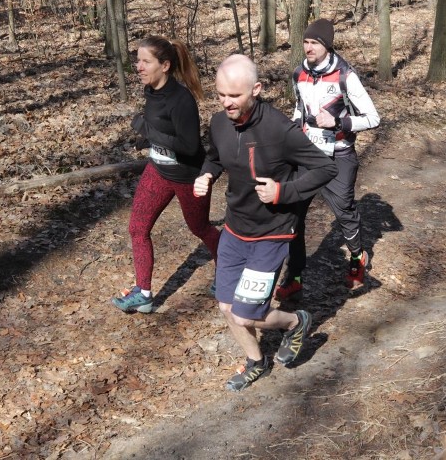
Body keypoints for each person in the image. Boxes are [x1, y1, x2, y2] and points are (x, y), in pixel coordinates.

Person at [194, 54, 338, 391]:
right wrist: (206, 175)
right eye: (221, 95)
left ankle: (294, 321)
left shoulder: (279, 130)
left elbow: (324, 169)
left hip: (271, 233)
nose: (227, 103)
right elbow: (214, 157)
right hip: (234, 229)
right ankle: (257, 362)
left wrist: (282, 191)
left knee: (246, 314)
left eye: (235, 95)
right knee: (228, 308)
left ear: (256, 89)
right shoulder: (218, 124)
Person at [111, 35, 221, 313]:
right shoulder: (151, 91)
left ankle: (228, 269)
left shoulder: (181, 99)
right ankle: (144, 293)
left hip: (187, 176)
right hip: (158, 172)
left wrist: (149, 132)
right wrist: (147, 141)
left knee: (200, 228)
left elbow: (189, 146)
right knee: (137, 228)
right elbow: (163, 132)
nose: (139, 67)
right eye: (138, 60)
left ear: (166, 65)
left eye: (146, 62)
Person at [275, 19, 381, 301]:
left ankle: (357, 258)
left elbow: (373, 118)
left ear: (327, 45)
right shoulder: (299, 72)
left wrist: (339, 122)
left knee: (344, 212)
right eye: (306, 42)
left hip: (339, 154)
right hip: (307, 155)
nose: (309, 47)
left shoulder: (345, 75)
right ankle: (294, 276)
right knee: (293, 216)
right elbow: (300, 109)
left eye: (315, 43)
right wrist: (292, 130)